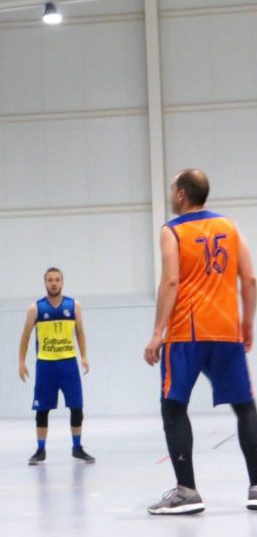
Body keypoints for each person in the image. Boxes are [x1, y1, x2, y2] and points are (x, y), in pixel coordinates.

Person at [144, 169, 257, 515]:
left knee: (173, 405)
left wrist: (157, 333)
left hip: (186, 333)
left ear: (181, 194)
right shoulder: (229, 226)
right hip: (226, 330)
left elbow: (171, 281)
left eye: (172, 188)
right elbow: (250, 279)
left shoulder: (173, 231)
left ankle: (187, 492)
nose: (170, 193)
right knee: (245, 407)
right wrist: (247, 325)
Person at [19, 268, 95, 465]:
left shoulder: (74, 305)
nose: (54, 283)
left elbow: (80, 332)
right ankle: (40, 449)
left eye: (57, 280)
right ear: (45, 282)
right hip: (46, 365)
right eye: (50, 280)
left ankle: (77, 447)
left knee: (76, 407)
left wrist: (84, 356)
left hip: (68, 363)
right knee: (42, 409)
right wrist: (21, 362)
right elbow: (26, 336)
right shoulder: (35, 308)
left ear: (62, 282)